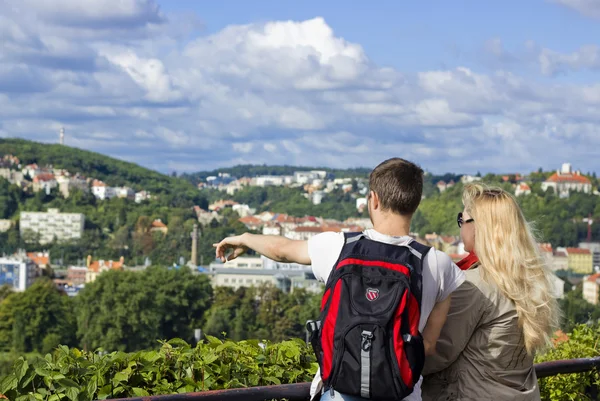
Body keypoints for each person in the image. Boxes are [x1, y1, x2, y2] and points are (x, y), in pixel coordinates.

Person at [213, 158, 465, 401]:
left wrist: (245, 238)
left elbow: (281, 249)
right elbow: (428, 346)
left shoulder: (339, 246)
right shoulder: (437, 263)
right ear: (416, 202)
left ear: (374, 200)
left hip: (339, 394)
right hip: (403, 394)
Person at [421, 184, 561, 401]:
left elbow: (437, 352)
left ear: (480, 228)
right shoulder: (529, 278)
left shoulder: (474, 285)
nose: (461, 227)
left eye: (463, 219)